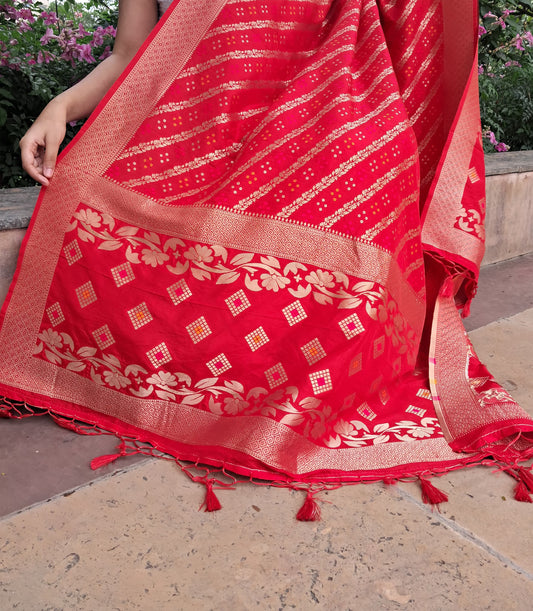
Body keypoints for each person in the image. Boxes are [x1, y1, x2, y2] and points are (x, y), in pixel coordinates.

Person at [3, 0, 533, 519]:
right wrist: (58, 109)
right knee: (85, 219)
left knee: (362, 234)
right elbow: (131, 52)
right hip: (189, 145)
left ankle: (287, 399)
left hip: (309, 127)